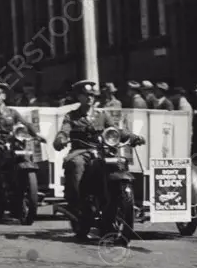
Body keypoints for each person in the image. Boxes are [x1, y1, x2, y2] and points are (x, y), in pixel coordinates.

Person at [52, 81, 145, 220]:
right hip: (80, 151)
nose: (90, 98)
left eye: (92, 95)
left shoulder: (102, 115)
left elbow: (116, 130)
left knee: (119, 163)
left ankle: (120, 196)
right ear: (79, 97)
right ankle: (78, 203)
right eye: (85, 95)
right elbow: (64, 131)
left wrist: (133, 137)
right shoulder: (71, 116)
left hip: (101, 151)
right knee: (76, 164)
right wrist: (60, 139)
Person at [0, 82, 46, 188]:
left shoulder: (12, 112)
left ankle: (28, 185)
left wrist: (36, 135)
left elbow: (26, 124)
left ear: (3, 96)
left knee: (24, 156)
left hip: (11, 141)